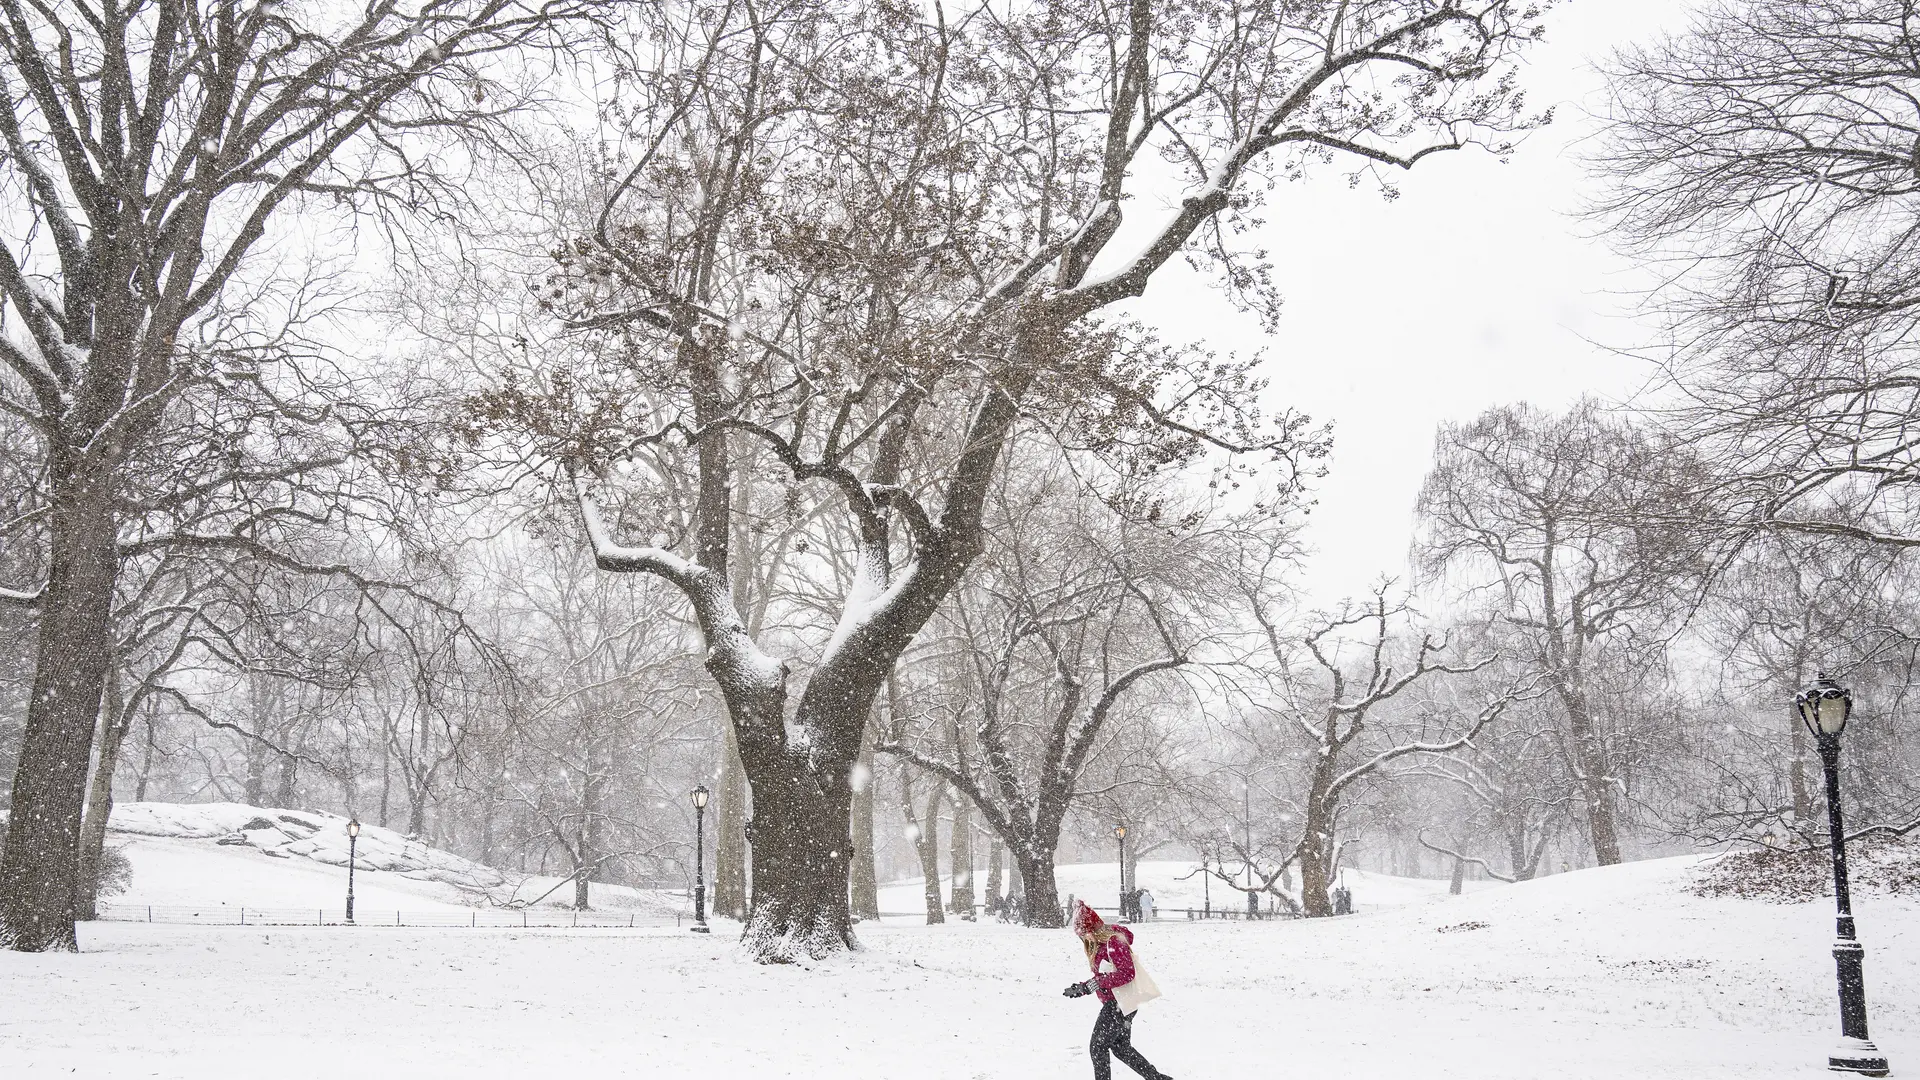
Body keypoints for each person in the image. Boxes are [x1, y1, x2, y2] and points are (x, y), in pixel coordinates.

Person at [1062, 900, 1172, 1080]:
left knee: (1097, 1047)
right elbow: (1106, 975)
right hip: (1119, 1003)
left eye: (1083, 934)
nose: (1083, 939)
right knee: (1121, 1048)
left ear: (1092, 929)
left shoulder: (1114, 941)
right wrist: (1083, 987)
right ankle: (1157, 1078)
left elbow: (1127, 973)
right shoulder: (1099, 944)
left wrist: (1093, 985)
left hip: (1120, 1003)